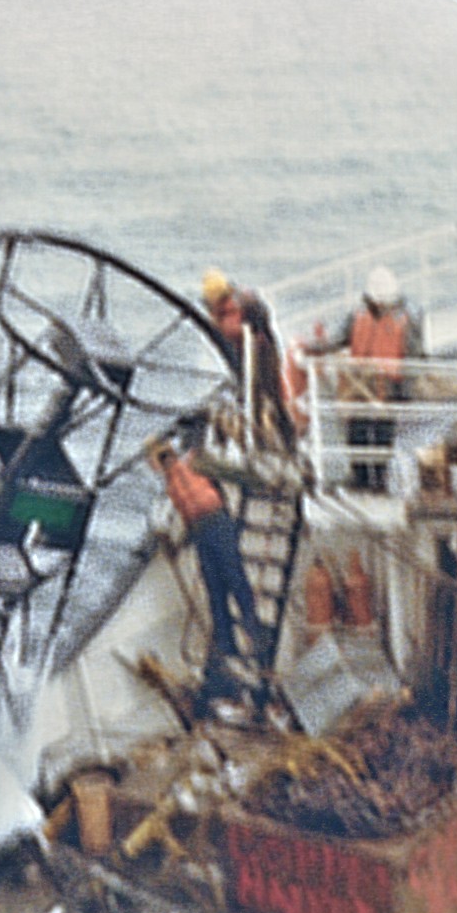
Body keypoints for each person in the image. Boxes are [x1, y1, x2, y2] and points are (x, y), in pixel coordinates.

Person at [146, 437, 266, 702]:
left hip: (218, 523)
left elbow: (231, 474)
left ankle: (252, 628)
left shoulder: (195, 461)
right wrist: (177, 545)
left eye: (160, 456)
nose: (160, 463)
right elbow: (186, 516)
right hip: (200, 532)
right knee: (215, 592)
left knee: (235, 578)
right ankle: (227, 647)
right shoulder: (170, 486)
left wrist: (261, 482)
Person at [304, 266, 422, 490]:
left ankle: (380, 481)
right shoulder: (357, 315)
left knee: (381, 439)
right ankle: (359, 479)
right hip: (358, 388)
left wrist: (406, 392)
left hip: (387, 390)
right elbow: (337, 339)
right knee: (356, 433)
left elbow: (413, 358)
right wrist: (313, 347)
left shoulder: (407, 320)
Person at [201, 269, 294, 450]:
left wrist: (255, 336)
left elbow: (261, 321)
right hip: (240, 355)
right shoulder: (218, 313)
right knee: (245, 395)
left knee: (271, 396)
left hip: (261, 353)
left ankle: (285, 440)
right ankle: (251, 440)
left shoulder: (245, 302)